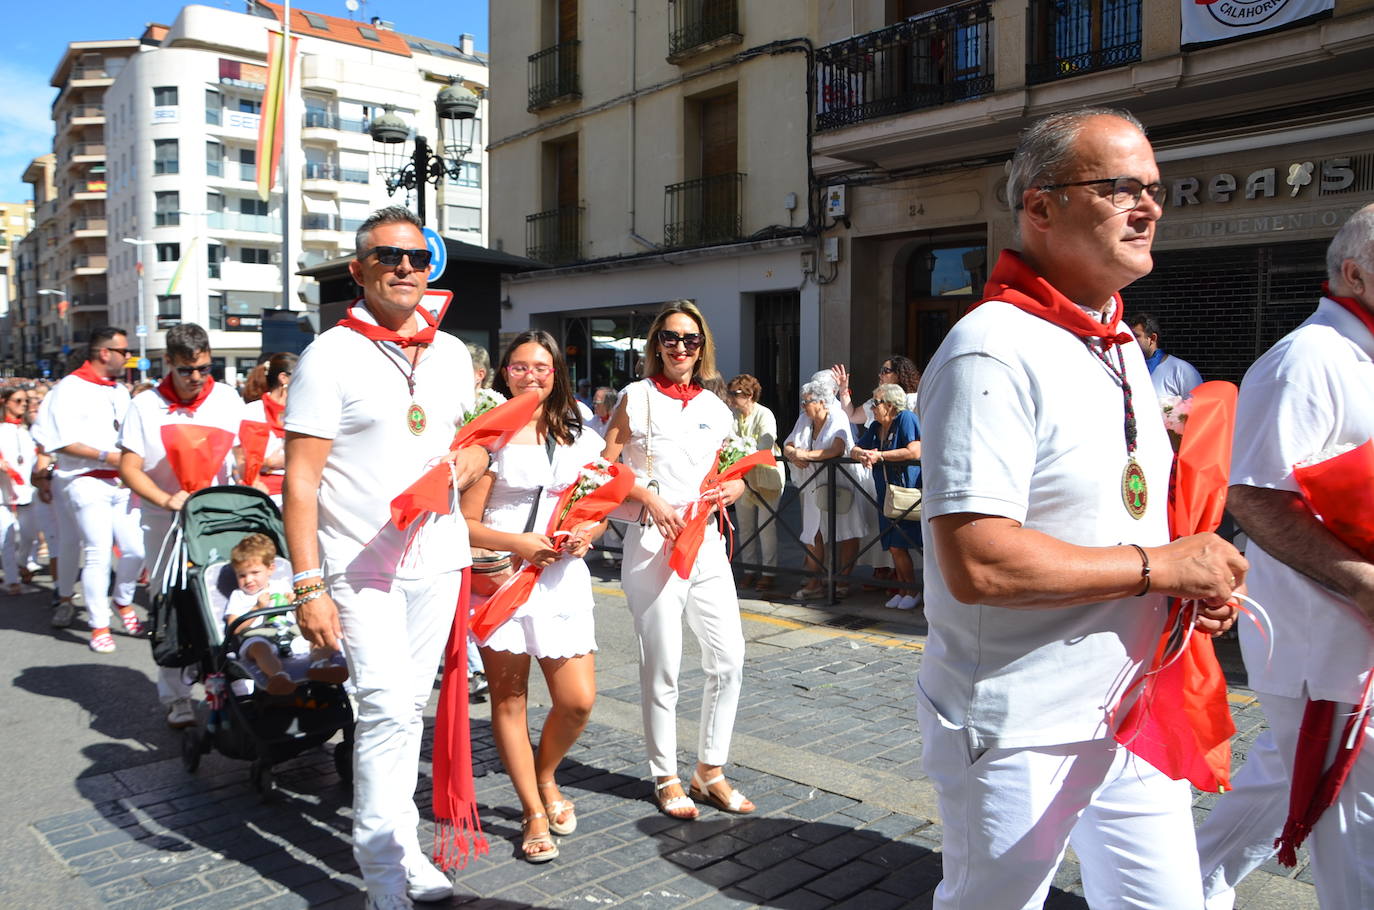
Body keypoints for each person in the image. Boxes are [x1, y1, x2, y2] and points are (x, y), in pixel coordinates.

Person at [915, 107, 1247, 909]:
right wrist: (1158, 566)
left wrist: (1185, 584)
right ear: (1040, 206)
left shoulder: (1119, 341)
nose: (1150, 207)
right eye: (1121, 187)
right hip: (1022, 725)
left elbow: (1118, 515)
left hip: (1133, 706)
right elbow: (978, 560)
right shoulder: (989, 346)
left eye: (1155, 189)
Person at [284, 206, 486, 909]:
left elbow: (477, 441)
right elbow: (301, 481)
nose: (405, 267)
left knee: (407, 709)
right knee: (385, 711)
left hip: (438, 561)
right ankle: (381, 878)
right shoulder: (328, 356)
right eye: (388, 256)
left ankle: (403, 850)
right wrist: (307, 584)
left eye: (416, 257)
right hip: (359, 568)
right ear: (359, 269)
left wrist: (464, 469)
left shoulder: (454, 353)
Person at [1195, 204, 1374, 909]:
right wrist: (1363, 584)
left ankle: (1190, 885)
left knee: (1286, 777)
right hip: (1328, 643)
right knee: (1352, 816)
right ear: (1355, 272)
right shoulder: (1306, 359)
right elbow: (1256, 498)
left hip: (1347, 641)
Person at [600, 300, 754, 821]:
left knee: (728, 657)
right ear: (655, 343)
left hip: (706, 541)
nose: (680, 347)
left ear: (702, 347)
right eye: (670, 337)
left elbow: (729, 470)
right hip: (651, 545)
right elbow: (602, 472)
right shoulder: (635, 398)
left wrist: (736, 484)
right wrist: (647, 497)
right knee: (663, 664)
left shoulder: (716, 407)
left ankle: (710, 768)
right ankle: (664, 773)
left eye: (690, 339)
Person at [461, 331, 604, 863]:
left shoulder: (577, 431)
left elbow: (596, 501)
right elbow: (463, 522)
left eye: (541, 367)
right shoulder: (487, 435)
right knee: (510, 699)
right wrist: (518, 543)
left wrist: (590, 532)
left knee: (577, 700)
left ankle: (546, 775)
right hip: (502, 580)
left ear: (556, 374)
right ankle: (532, 809)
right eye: (519, 367)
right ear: (504, 374)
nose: (531, 376)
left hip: (561, 578)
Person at [118, 323, 246, 727]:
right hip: (165, 521)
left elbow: (242, 453)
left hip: (219, 519)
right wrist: (165, 499)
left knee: (226, 600)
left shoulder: (226, 398)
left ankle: (229, 682)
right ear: (169, 362)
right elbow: (129, 468)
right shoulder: (145, 405)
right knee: (170, 606)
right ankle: (175, 696)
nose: (196, 378)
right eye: (187, 370)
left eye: (205, 369)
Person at [31, 328, 145, 651]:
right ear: (104, 353)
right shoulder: (68, 389)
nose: (129, 357)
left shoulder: (120, 391)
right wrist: (106, 455)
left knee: (136, 548)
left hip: (119, 481)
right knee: (94, 549)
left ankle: (121, 601)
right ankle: (98, 624)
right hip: (82, 481)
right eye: (124, 351)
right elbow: (59, 441)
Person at [222, 533, 348, 695]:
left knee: (316, 638)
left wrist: (295, 602)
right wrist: (256, 608)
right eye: (242, 575)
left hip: (290, 632)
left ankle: (323, 666)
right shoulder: (239, 596)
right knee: (260, 649)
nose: (248, 580)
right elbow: (234, 627)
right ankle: (278, 677)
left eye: (255, 573)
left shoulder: (281, 586)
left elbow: (300, 615)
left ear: (270, 569)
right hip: (257, 636)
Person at [783, 371, 869, 601]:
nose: (803, 405)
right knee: (814, 532)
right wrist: (792, 453)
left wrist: (805, 454)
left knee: (847, 530)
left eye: (807, 401)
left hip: (842, 480)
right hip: (813, 483)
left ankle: (842, 579)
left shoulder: (838, 416)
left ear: (822, 401)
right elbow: (788, 443)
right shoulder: (804, 418)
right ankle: (816, 582)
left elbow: (836, 449)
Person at [851, 382, 922, 610]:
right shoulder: (876, 427)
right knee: (892, 544)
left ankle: (912, 590)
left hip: (905, 492)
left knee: (901, 543)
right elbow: (854, 449)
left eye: (876, 403)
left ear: (890, 405)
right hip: (885, 493)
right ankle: (903, 589)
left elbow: (914, 451)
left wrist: (880, 455)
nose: (872, 407)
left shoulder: (906, 419)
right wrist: (864, 454)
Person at [726, 374, 783, 593]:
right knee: (746, 526)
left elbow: (765, 445)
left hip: (767, 477)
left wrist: (740, 451)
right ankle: (749, 569)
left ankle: (769, 573)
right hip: (743, 478)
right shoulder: (733, 415)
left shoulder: (764, 414)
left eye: (735, 394)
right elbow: (728, 439)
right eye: (730, 393)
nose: (731, 398)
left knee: (766, 527)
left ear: (749, 395)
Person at [241, 352, 296, 504]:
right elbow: (238, 459)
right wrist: (268, 462)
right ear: (283, 378)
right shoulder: (252, 412)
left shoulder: (304, 411)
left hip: (298, 490)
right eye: (299, 378)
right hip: (262, 495)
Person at [0, 387, 37, 594]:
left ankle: (21, 563)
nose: (23, 404)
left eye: (25, 401)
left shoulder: (26, 432)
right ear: (5, 402)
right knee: (6, 536)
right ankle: (12, 580)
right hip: (2, 492)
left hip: (26, 492)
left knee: (29, 534)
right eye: (18, 400)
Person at [1130, 312, 1203, 398]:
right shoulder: (1128, 369)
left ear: (1152, 338)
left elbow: (1198, 406)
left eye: (1136, 336)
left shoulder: (1182, 370)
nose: (1131, 340)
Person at [833, 355, 920, 426]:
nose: (880, 375)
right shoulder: (876, 402)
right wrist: (844, 390)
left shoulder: (913, 400)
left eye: (885, 371)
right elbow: (851, 415)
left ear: (899, 374)